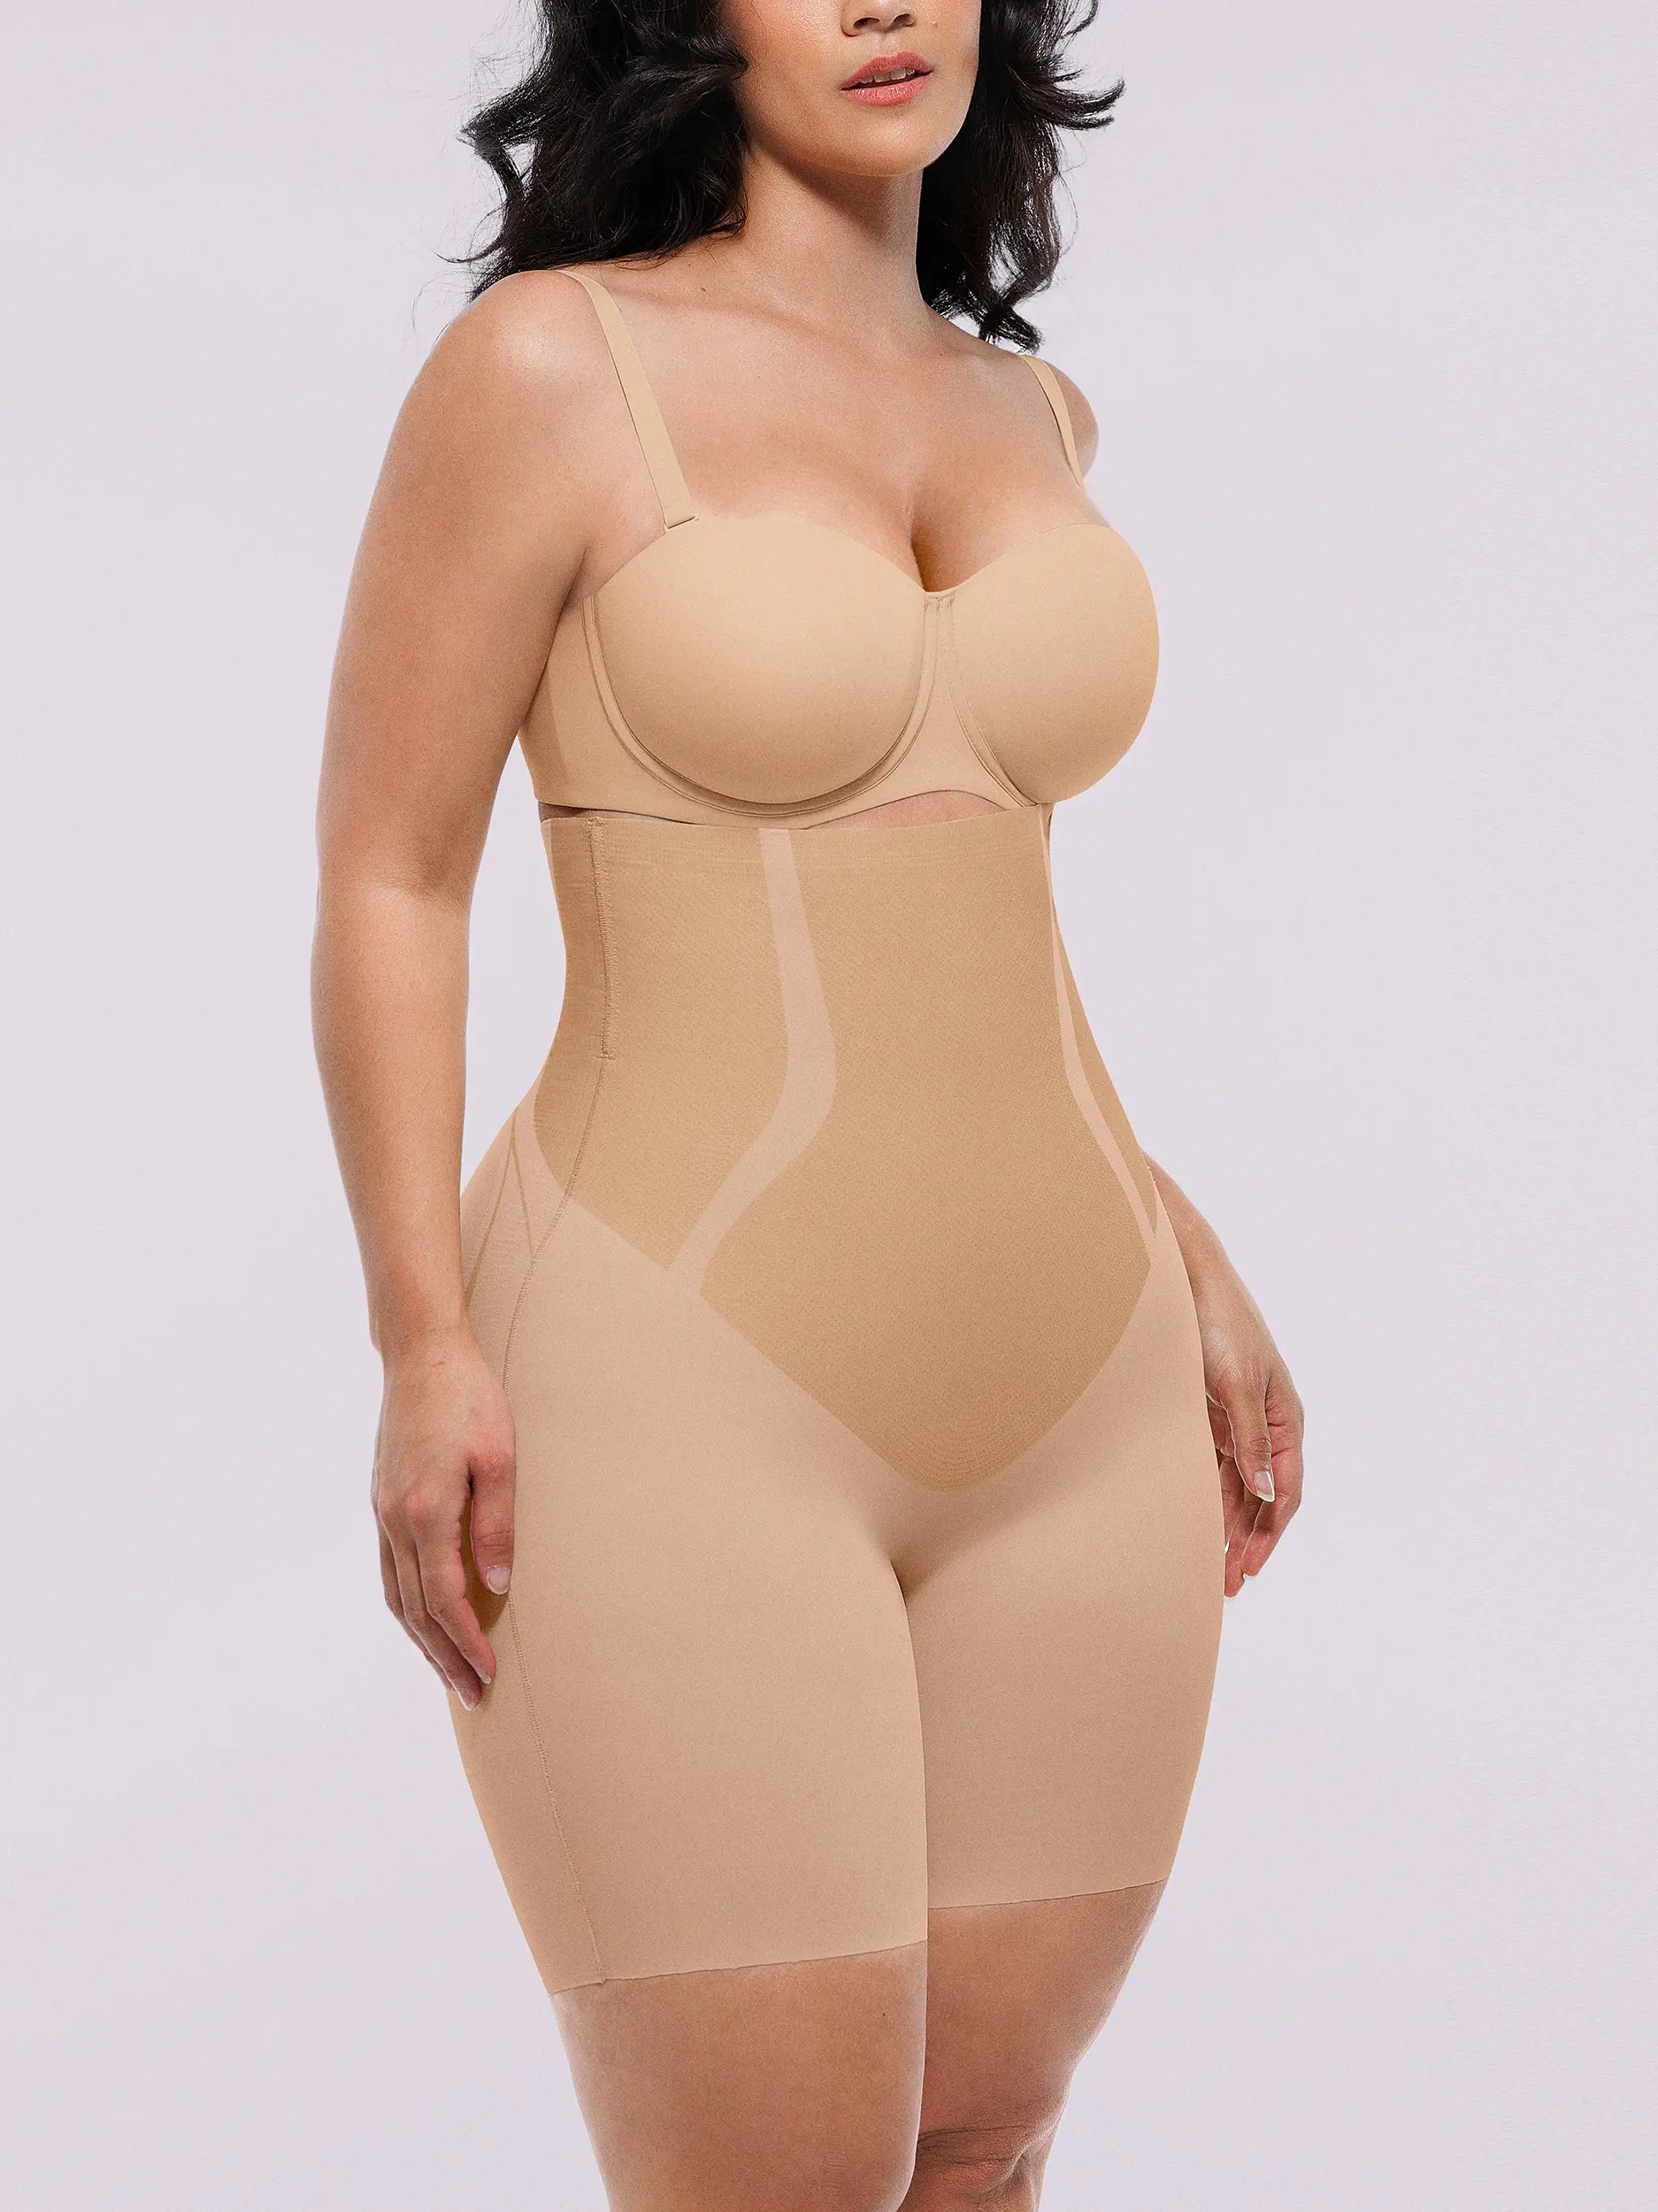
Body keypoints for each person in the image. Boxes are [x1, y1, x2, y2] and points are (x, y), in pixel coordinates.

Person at [311, 1, 1305, 2203]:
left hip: (1079, 1377)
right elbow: (392, 874)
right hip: (674, 1371)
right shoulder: (549, 371)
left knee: (986, 2137)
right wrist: (418, 1334)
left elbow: (968, 890)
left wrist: (1180, 1232)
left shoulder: (1031, 408)